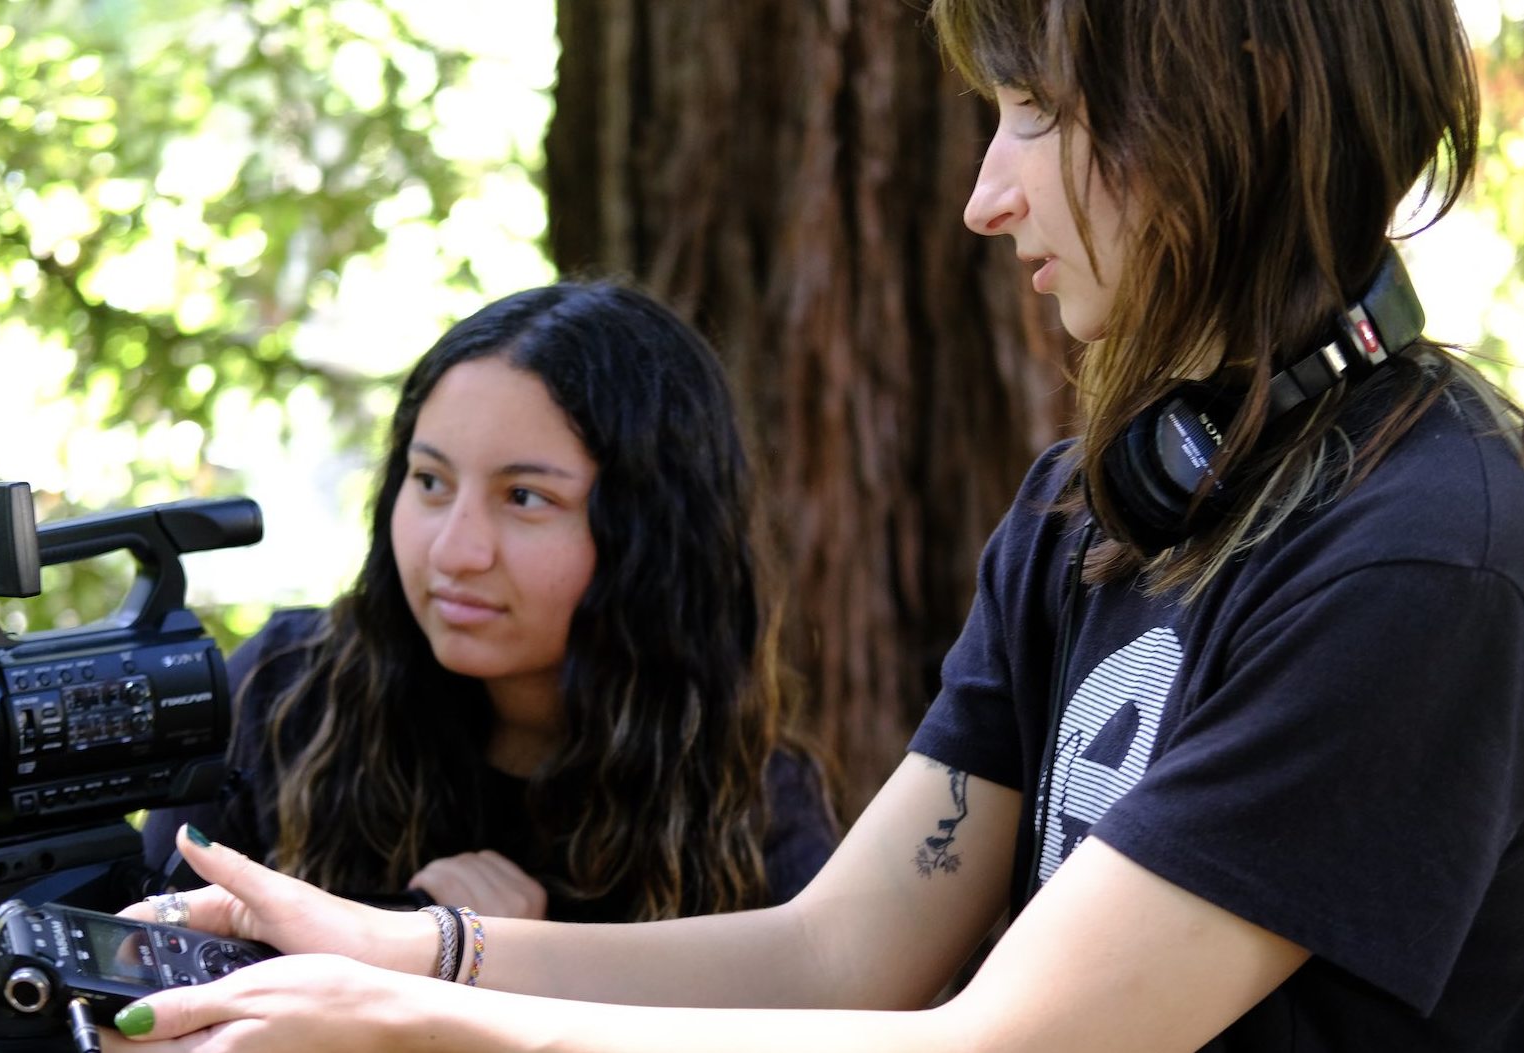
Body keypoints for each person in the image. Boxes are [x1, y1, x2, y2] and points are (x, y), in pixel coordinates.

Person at [106, 0, 1524, 1049]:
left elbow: (1000, 1043)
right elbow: (836, 958)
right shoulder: (1077, 515)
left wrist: (421, 1023)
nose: (984, 195)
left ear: (1226, 106)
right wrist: (409, 946)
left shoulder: (1422, 556)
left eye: (1033, 114)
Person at [142, 281, 839, 923]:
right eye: (430, 480)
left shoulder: (747, 808)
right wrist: (406, 940)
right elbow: (132, 972)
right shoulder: (285, 695)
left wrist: (509, 972)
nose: (453, 550)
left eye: (524, 497)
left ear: (653, 533)